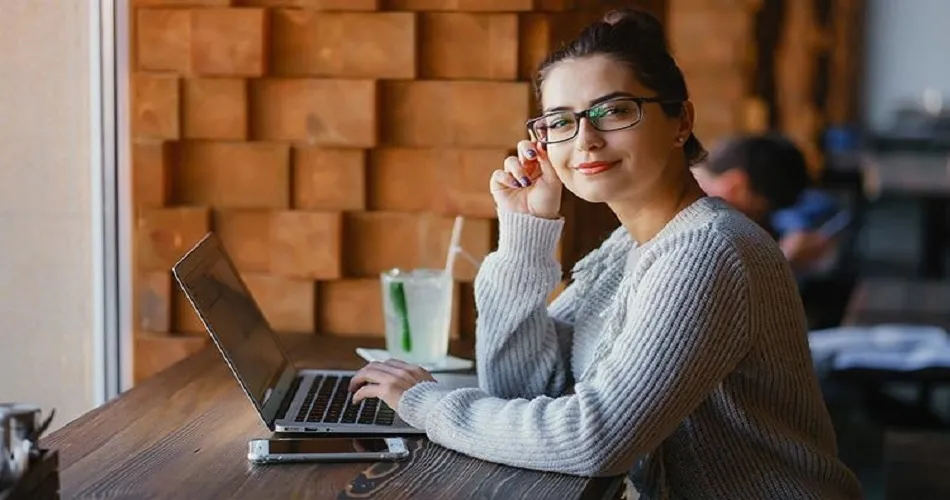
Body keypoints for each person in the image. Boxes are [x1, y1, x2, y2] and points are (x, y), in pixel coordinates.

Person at [348, 9, 863, 499]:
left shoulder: (708, 252)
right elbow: (521, 388)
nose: (586, 140)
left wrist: (425, 403)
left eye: (614, 111)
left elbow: (594, 439)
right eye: (560, 121)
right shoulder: (629, 246)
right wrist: (526, 229)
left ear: (680, 121)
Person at [690, 133, 844, 273]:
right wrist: (782, 260)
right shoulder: (694, 227)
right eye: (757, 212)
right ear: (736, 187)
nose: (755, 224)